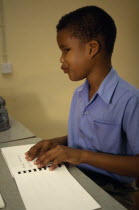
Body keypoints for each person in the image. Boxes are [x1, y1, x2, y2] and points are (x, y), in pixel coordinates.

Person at [25, 6, 139, 209]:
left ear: (91, 48)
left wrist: (79, 155)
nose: (61, 59)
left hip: (113, 191)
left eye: (65, 50)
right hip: (76, 176)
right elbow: (89, 138)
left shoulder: (130, 100)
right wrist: (56, 143)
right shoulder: (79, 95)